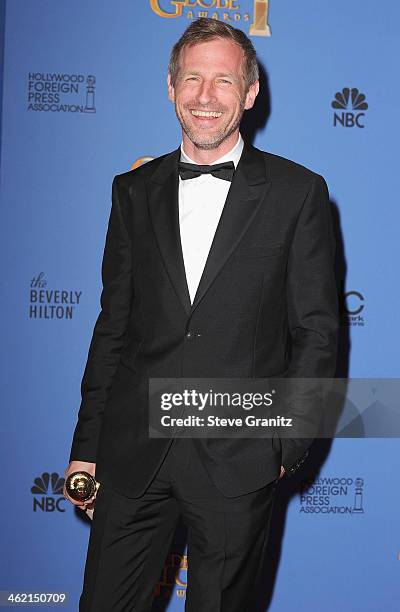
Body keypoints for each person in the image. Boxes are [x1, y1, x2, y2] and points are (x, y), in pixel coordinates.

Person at [64, 17, 338, 611]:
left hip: (238, 457)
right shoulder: (131, 192)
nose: (205, 97)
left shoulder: (298, 193)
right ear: (170, 87)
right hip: (134, 453)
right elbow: (113, 326)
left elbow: (317, 332)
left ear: (250, 92)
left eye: (222, 81)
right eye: (192, 78)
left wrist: (287, 444)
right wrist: (86, 446)